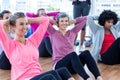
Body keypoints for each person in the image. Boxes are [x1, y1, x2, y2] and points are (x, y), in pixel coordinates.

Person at [0, 12, 75, 80]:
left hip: (38, 76)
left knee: (63, 70)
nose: (25, 27)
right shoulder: (10, 45)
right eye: (21, 24)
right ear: (13, 26)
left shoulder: (32, 41)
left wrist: (28, 20)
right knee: (52, 75)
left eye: (26, 24)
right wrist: (9, 21)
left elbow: (45, 20)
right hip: (23, 78)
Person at [47, 12, 103, 80]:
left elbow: (85, 19)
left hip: (73, 66)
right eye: (62, 21)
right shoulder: (53, 33)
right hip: (59, 66)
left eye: (66, 21)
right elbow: (44, 20)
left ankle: (98, 76)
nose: (64, 23)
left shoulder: (73, 32)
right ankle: (87, 78)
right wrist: (53, 21)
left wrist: (73, 21)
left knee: (86, 53)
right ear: (58, 22)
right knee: (73, 54)